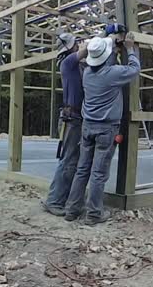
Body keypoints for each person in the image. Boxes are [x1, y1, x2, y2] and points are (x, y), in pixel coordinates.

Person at [64, 30, 140, 225]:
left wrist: (108, 43)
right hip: (106, 129)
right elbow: (134, 69)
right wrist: (130, 49)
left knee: (83, 170)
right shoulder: (113, 74)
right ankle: (94, 214)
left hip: (88, 127)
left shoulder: (88, 73)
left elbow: (101, 58)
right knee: (98, 173)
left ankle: (72, 210)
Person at [41, 32, 88, 216]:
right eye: (76, 43)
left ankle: (63, 198)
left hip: (75, 118)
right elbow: (89, 50)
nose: (79, 45)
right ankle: (54, 201)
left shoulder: (75, 66)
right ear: (69, 47)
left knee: (72, 161)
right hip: (72, 119)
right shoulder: (68, 63)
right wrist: (106, 35)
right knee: (68, 161)